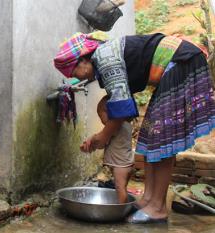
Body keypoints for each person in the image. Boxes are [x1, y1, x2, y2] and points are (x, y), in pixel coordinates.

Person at [54, 32, 215, 223]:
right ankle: (148, 198)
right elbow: (121, 103)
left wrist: (103, 136)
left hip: (181, 62)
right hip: (176, 65)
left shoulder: (105, 59)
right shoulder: (103, 59)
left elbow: (122, 109)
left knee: (162, 139)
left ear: (82, 61)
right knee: (149, 136)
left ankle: (158, 207)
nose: (76, 78)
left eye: (73, 73)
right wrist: (104, 130)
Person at [94, 95, 133, 203]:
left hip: (120, 166)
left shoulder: (115, 128)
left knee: (120, 189)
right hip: (125, 164)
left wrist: (90, 142)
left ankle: (121, 211)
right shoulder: (126, 125)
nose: (101, 120)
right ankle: (122, 205)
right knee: (121, 188)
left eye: (101, 115)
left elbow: (101, 143)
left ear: (110, 113)